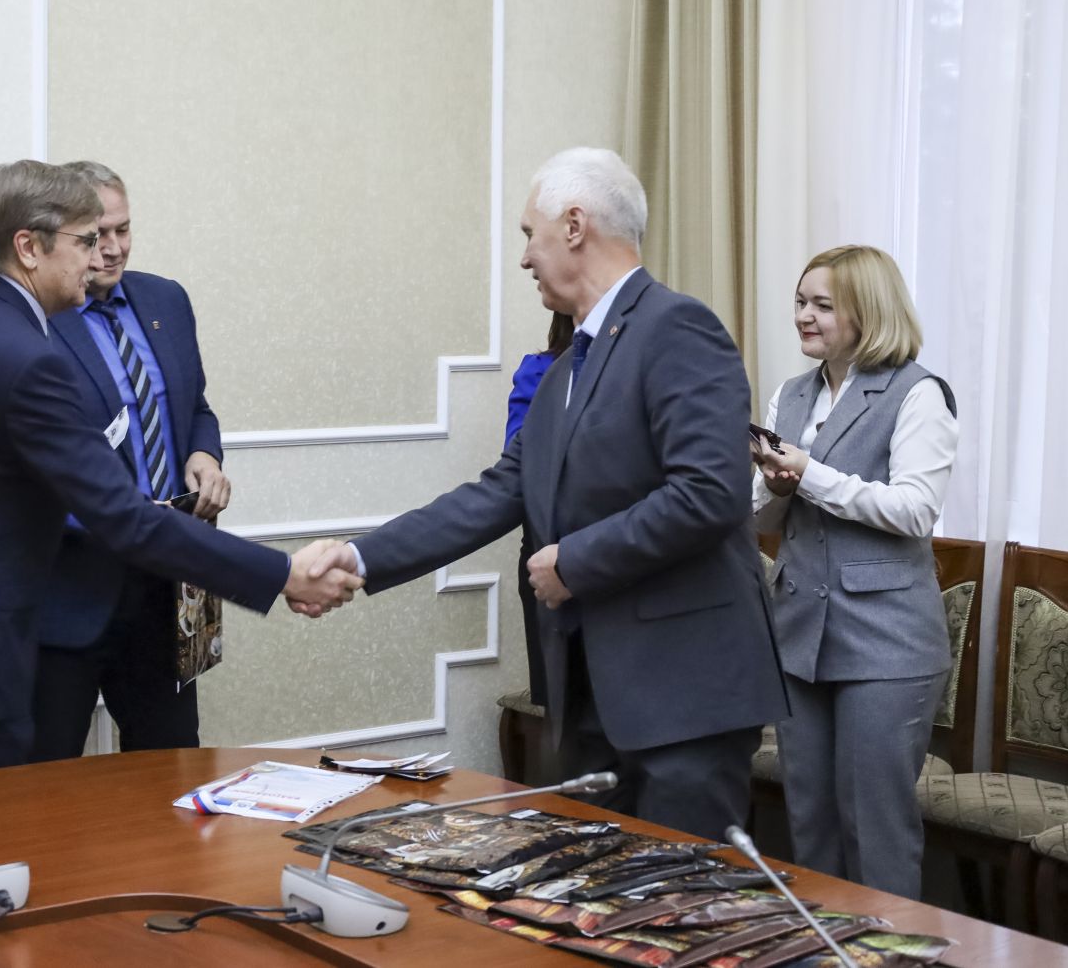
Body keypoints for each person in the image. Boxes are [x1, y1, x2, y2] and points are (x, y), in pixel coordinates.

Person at [312, 147, 787, 840]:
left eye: (529, 234)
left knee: (678, 899)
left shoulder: (677, 328)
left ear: (574, 225)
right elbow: (498, 491)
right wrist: (358, 558)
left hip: (684, 698)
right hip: (591, 696)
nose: (524, 257)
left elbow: (709, 492)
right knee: (592, 893)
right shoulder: (565, 370)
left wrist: (574, 561)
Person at [0, 159, 360, 781]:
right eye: (86, 241)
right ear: (29, 247)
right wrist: (284, 574)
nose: (99, 257)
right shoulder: (27, 361)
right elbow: (125, 518)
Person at [752, 244, 958, 899]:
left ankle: (890, 947)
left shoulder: (918, 392)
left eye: (822, 305)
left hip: (886, 642)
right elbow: (768, 512)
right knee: (810, 826)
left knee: (876, 833)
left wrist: (809, 474)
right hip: (799, 635)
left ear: (867, 312)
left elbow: (914, 509)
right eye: (799, 301)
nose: (803, 316)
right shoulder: (791, 394)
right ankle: (824, 945)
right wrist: (772, 484)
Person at [31, 160, 228, 759]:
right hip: (69, 591)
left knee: (172, 763)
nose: (113, 249)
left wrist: (204, 455)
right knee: (45, 778)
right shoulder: (35, 318)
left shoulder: (167, 299)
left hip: (166, 585)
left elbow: (195, 407)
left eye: (123, 230)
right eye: (96, 236)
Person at [506, 312, 574, 705]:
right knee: (561, 709)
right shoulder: (540, 372)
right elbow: (521, 469)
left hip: (628, 569)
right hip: (545, 559)